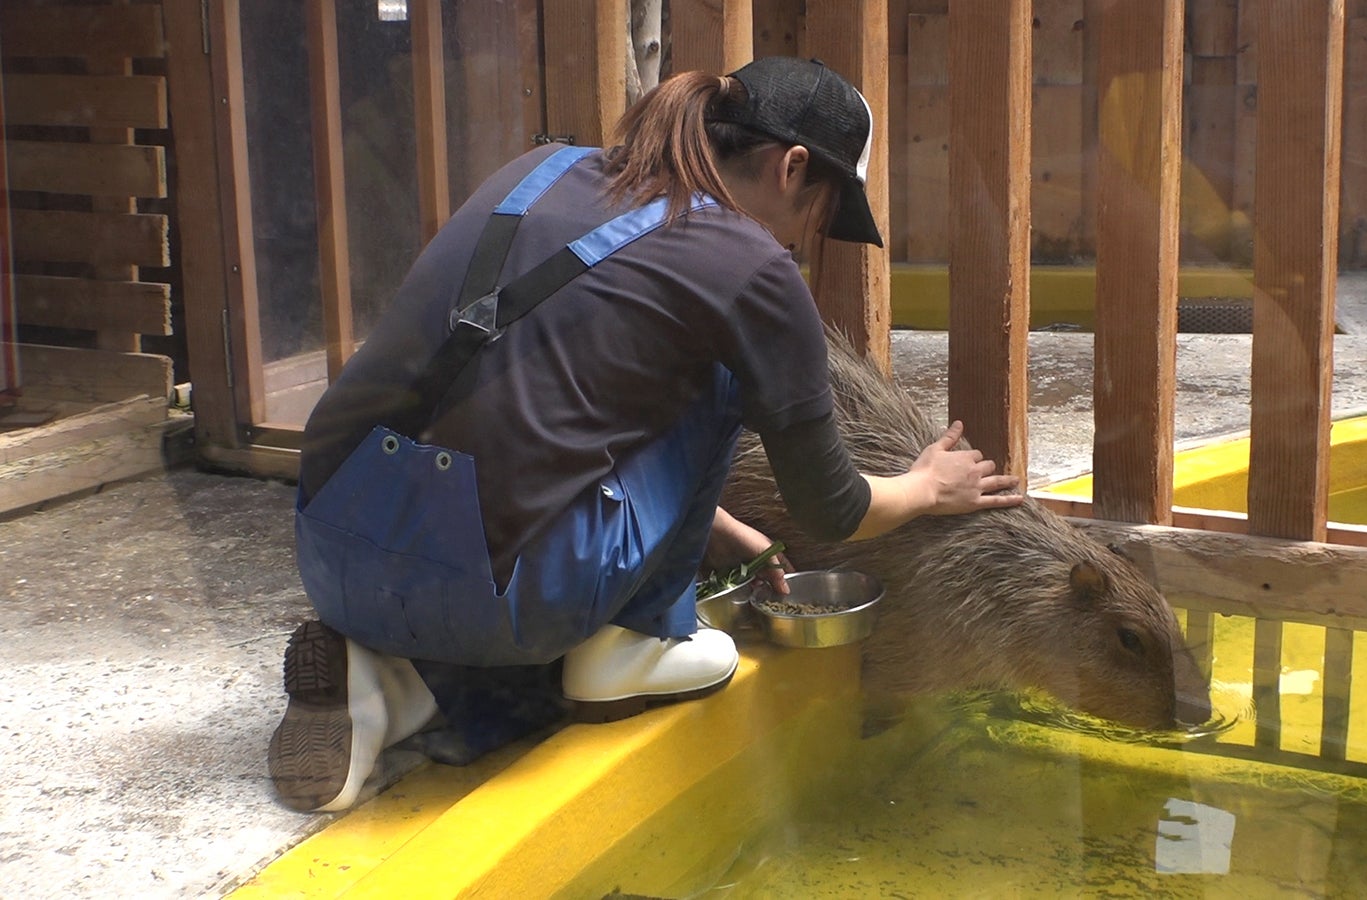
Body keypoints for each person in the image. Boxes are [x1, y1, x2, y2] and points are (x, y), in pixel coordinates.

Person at [269, 56, 1024, 813]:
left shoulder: (542, 166)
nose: (800, 242)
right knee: (727, 369)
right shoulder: (751, 267)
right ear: (792, 167)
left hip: (332, 544)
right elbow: (832, 508)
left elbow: (525, 405)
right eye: (816, 219)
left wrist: (718, 529)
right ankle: (634, 639)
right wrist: (928, 487)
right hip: (498, 593)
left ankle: (388, 686)